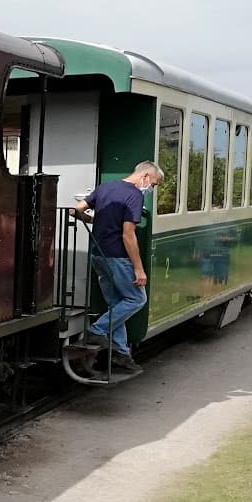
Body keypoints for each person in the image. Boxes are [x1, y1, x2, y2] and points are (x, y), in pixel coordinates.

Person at [71, 160, 164, 374]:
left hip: (98, 255)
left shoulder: (105, 188)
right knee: (136, 299)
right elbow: (128, 234)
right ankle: (96, 331)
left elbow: (75, 211)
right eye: (154, 184)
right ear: (145, 177)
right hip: (117, 257)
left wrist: (95, 221)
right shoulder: (134, 195)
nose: (152, 189)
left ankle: (121, 355)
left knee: (116, 305)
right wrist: (139, 269)